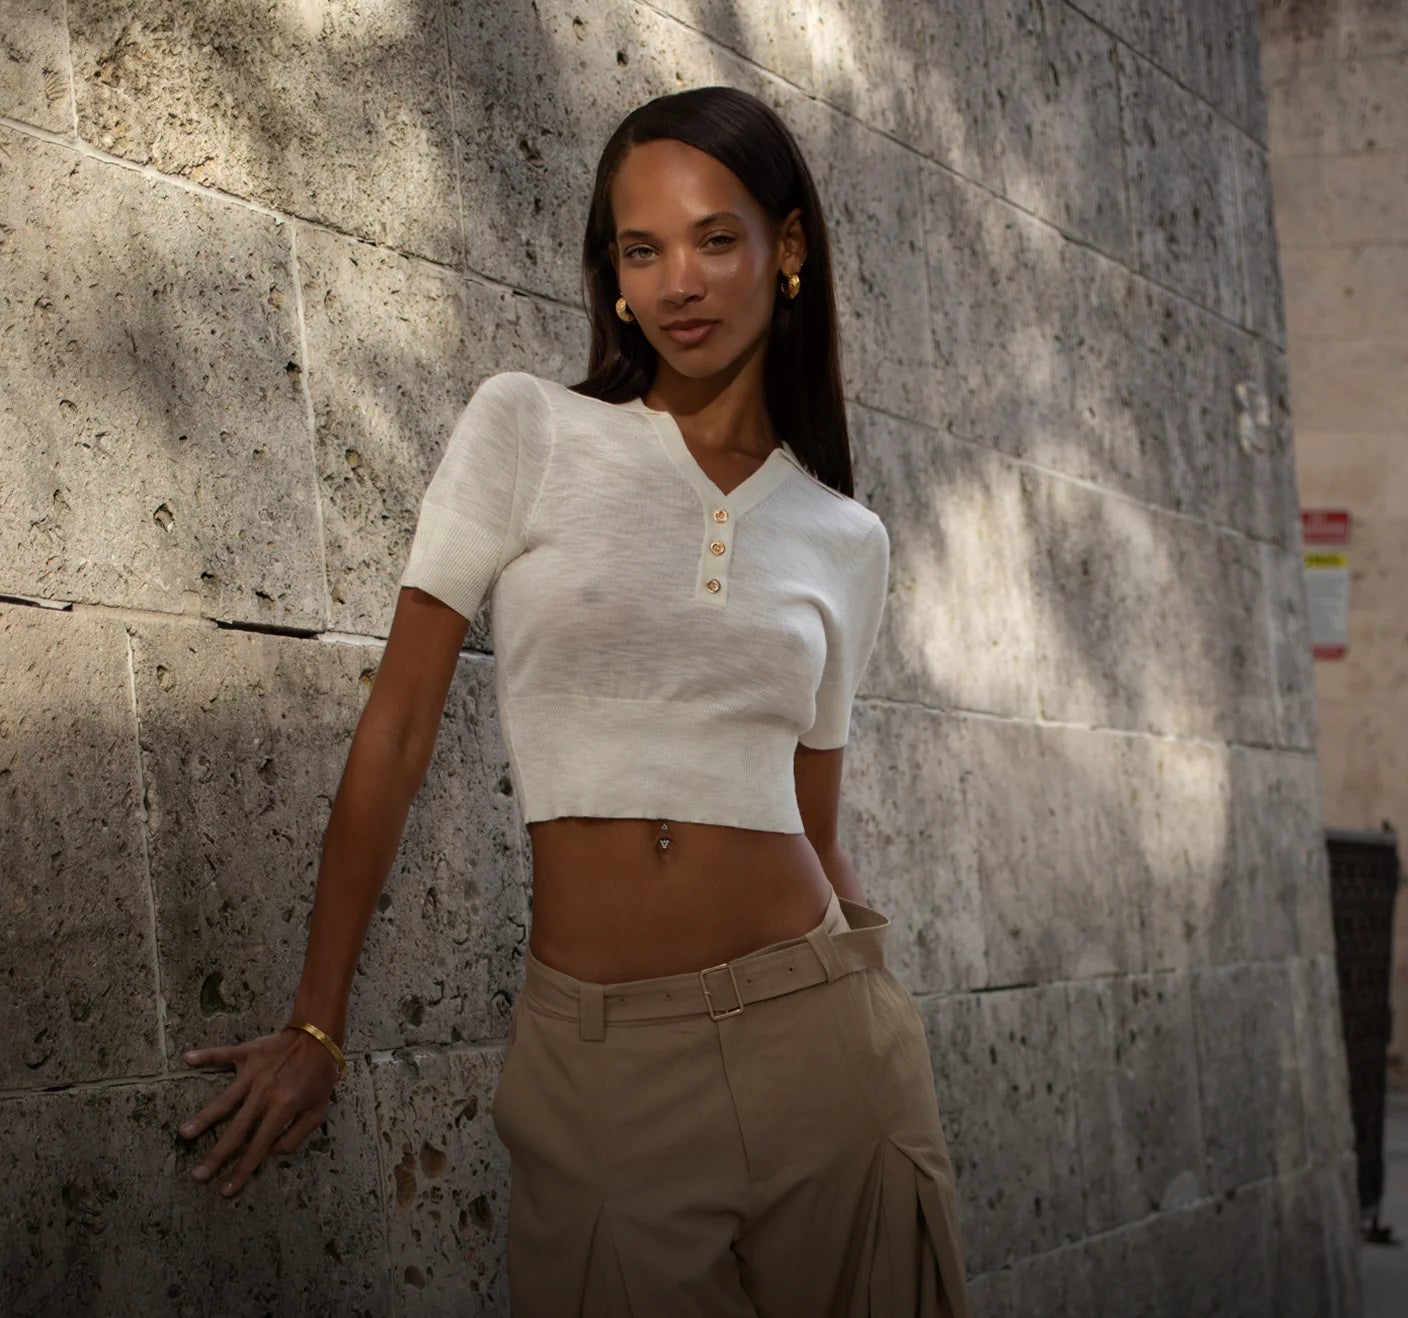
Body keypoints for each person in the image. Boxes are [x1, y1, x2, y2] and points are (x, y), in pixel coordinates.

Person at [174, 84, 973, 1317]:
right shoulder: (528, 427)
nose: (679, 282)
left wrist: (876, 994)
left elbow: (816, 821)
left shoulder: (845, 535)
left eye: (716, 237)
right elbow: (396, 728)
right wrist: (314, 1023)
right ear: (610, 275)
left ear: (789, 248)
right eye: (640, 249)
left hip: (825, 1045)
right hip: (602, 1063)